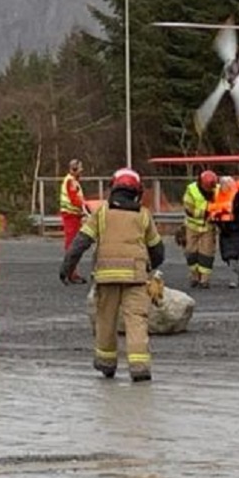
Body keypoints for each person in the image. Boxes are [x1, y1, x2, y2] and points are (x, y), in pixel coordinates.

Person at [60, 168, 164, 382]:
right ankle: (139, 367)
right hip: (135, 278)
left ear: (113, 188)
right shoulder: (144, 215)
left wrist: (67, 268)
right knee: (136, 320)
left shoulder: (102, 213)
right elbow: (157, 249)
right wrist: (151, 266)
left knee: (105, 319)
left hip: (106, 277)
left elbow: (81, 242)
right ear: (137, 191)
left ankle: (106, 363)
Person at [208, 175, 239, 288]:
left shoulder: (238, 195)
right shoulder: (215, 194)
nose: (224, 186)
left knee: (232, 255)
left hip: (238, 229)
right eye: (222, 184)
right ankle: (238, 276)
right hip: (225, 230)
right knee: (228, 256)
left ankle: (235, 279)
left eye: (226, 184)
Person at [183, 170, 218, 288]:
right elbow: (189, 209)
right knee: (190, 252)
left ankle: (204, 280)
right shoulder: (191, 190)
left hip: (208, 226)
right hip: (192, 226)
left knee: (207, 253)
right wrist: (206, 212)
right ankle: (194, 276)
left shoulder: (217, 189)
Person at [59, 158, 88, 283]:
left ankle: (71, 272)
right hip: (71, 216)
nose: (82, 171)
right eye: (80, 168)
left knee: (73, 245)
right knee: (72, 246)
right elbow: (74, 200)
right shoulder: (71, 182)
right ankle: (70, 273)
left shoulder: (72, 181)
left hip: (73, 216)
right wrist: (85, 207)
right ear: (75, 169)